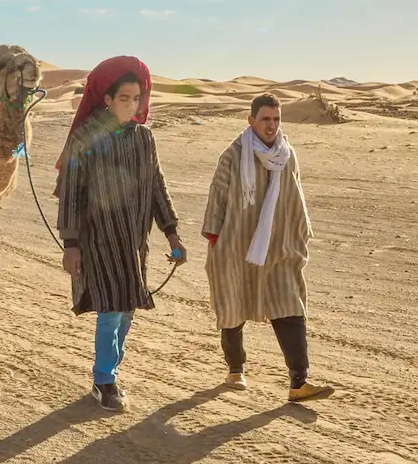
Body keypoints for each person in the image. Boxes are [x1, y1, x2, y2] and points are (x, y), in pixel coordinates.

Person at [56, 55, 187, 413]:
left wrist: (172, 233)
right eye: (124, 98)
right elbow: (70, 194)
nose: (131, 105)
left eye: (137, 99)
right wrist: (71, 245)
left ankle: (111, 371)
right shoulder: (85, 138)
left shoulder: (145, 138)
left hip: (134, 240)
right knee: (111, 308)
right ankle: (104, 380)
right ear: (108, 100)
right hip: (98, 239)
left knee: (126, 307)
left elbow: (157, 186)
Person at [201, 92, 334, 402]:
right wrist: (216, 241)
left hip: (278, 248)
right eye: (265, 119)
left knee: (289, 305)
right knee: (233, 306)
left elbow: (295, 198)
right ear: (251, 121)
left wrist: (297, 236)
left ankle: (299, 382)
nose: (272, 125)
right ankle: (236, 369)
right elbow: (218, 198)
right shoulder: (233, 155)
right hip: (236, 245)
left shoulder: (288, 156)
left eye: (276, 119)